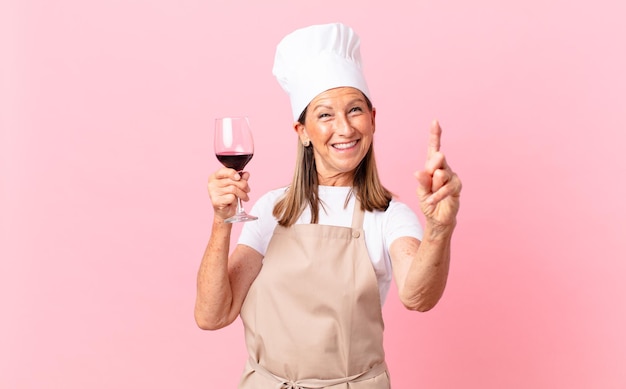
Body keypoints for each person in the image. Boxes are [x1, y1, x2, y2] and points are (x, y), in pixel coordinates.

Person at [194, 23, 462, 388]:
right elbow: (213, 314)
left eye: (354, 110)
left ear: (372, 119)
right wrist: (221, 221)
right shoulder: (271, 209)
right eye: (324, 115)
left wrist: (439, 228)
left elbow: (418, 296)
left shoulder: (388, 216)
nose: (345, 128)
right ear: (302, 131)